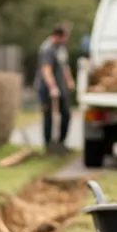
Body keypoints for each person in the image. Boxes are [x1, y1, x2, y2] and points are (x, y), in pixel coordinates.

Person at [35, 25, 75, 154]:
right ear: (59, 36)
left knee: (66, 115)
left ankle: (61, 142)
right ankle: (48, 146)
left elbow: (64, 65)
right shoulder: (47, 48)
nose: (66, 40)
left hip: (61, 88)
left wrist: (69, 80)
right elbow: (46, 70)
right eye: (65, 37)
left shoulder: (61, 49)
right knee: (49, 117)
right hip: (47, 89)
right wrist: (52, 87)